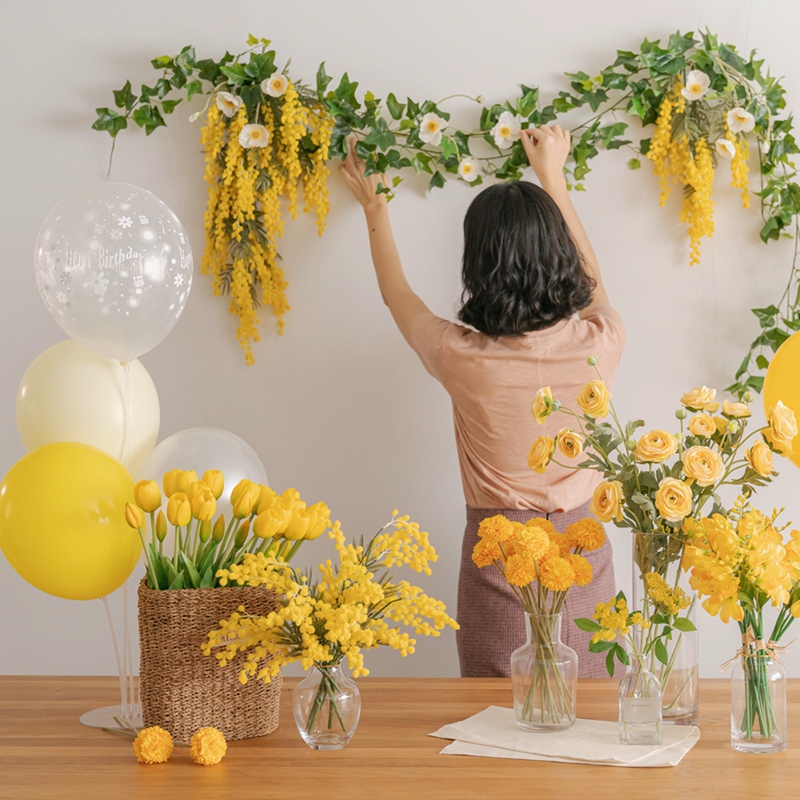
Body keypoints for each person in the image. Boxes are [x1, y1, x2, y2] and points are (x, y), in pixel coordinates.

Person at [338, 125, 625, 677]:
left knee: (494, 727)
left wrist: (376, 209)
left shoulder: (461, 355)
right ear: (558, 254)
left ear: (477, 266)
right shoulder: (602, 342)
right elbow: (593, 286)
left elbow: (398, 294)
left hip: (497, 558)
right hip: (585, 558)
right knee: (593, 719)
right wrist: (552, 176)